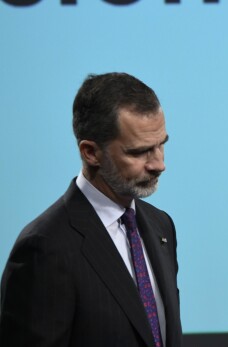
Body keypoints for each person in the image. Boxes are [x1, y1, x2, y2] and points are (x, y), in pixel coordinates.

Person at [0, 73, 182, 347]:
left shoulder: (161, 226)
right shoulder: (45, 248)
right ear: (90, 152)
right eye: (138, 152)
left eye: (161, 145)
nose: (159, 164)